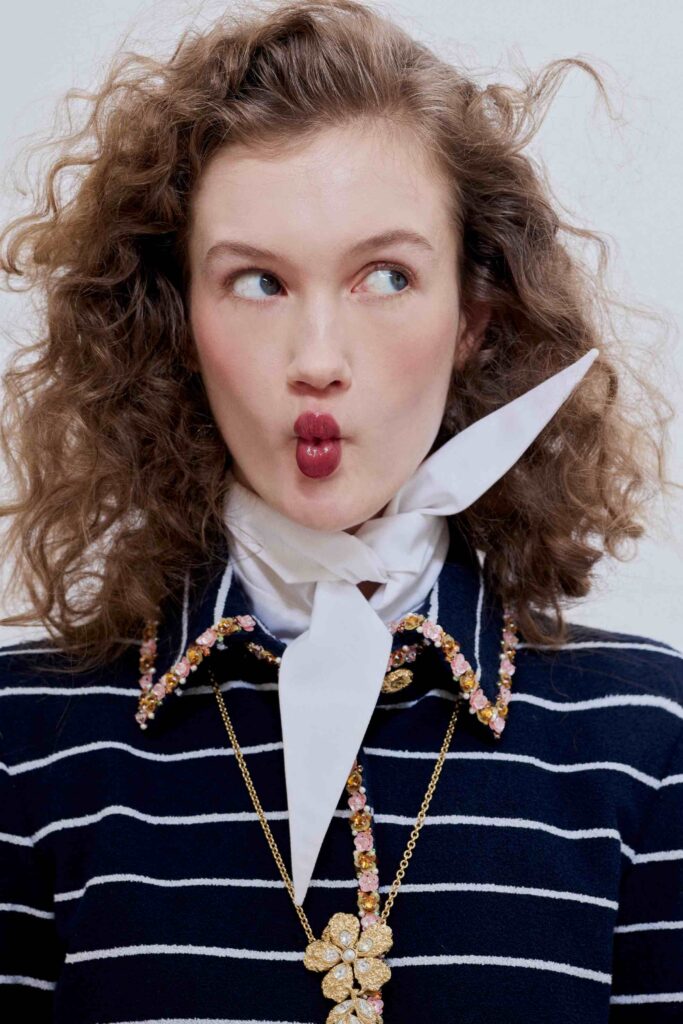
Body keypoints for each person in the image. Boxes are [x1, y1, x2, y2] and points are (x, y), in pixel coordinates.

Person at [0, 1, 681, 1021]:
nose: (317, 359)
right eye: (257, 281)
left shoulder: (646, 739)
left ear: (473, 315)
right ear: (179, 320)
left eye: (385, 276)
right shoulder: (23, 738)